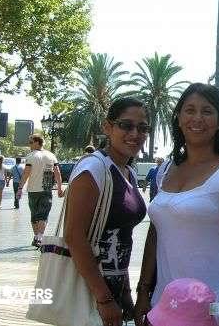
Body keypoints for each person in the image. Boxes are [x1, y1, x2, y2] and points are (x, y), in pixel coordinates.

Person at [134, 83, 219, 326]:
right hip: (166, 305)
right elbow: (156, 232)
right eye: (190, 110)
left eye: (207, 111)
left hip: (214, 308)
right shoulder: (165, 170)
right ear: (179, 118)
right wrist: (143, 291)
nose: (197, 118)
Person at [64, 97, 149, 326]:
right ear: (107, 127)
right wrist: (103, 298)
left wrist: (125, 292)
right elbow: (74, 236)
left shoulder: (128, 172)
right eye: (126, 125)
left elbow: (122, 237)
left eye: (143, 128)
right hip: (89, 292)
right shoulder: (93, 168)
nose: (135, 134)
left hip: (114, 291)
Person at [17, 134, 63, 247]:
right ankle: (39, 237)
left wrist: (20, 188)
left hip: (33, 190)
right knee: (43, 215)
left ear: (37, 142)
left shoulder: (31, 156)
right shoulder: (51, 156)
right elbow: (57, 173)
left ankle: (37, 237)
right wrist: (59, 188)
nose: (29, 145)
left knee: (34, 215)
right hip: (46, 189)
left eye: (31, 142)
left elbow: (26, 173)